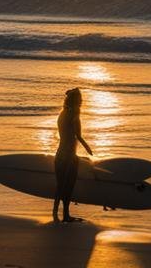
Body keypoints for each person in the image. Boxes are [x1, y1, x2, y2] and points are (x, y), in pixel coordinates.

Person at [53, 87, 94, 223]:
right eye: (80, 99)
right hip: (69, 156)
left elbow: (65, 135)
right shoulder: (75, 115)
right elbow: (78, 136)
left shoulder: (62, 114)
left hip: (59, 154)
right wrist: (88, 148)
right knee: (68, 186)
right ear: (76, 101)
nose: (82, 101)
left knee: (60, 185)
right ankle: (65, 215)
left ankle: (55, 212)